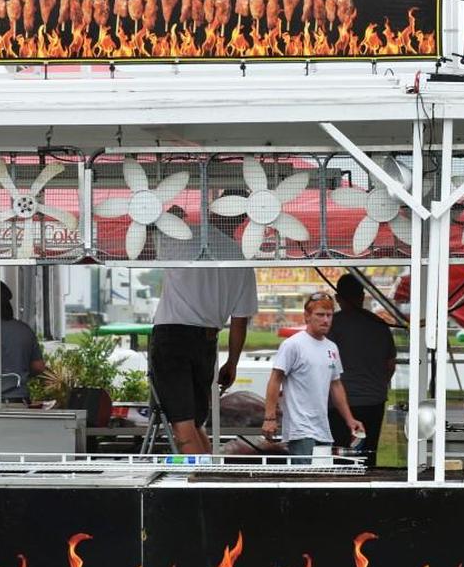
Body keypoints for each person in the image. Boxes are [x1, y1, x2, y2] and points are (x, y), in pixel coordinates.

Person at [151, 198, 258, 454]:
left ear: (212, 211)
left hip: (172, 336)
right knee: (196, 422)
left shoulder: (184, 237)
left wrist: (170, 215)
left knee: (182, 423)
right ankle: (209, 476)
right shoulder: (241, 258)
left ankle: (199, 485)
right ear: (244, 219)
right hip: (207, 342)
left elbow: (148, 237)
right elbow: (239, 322)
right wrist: (232, 362)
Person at [262, 292, 365, 462]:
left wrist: (349, 419)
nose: (325, 320)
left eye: (329, 315)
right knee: (303, 481)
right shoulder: (292, 345)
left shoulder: (332, 347)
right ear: (307, 317)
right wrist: (269, 417)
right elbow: (275, 379)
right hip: (300, 428)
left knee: (321, 480)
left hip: (323, 428)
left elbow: (336, 385)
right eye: (320, 315)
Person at [326, 274, 396, 466]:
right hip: (374, 401)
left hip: (339, 405)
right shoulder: (380, 325)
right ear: (362, 296)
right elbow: (390, 365)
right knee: (368, 455)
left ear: (338, 298)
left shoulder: (332, 326)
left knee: (341, 457)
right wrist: (378, 384)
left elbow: (323, 366)